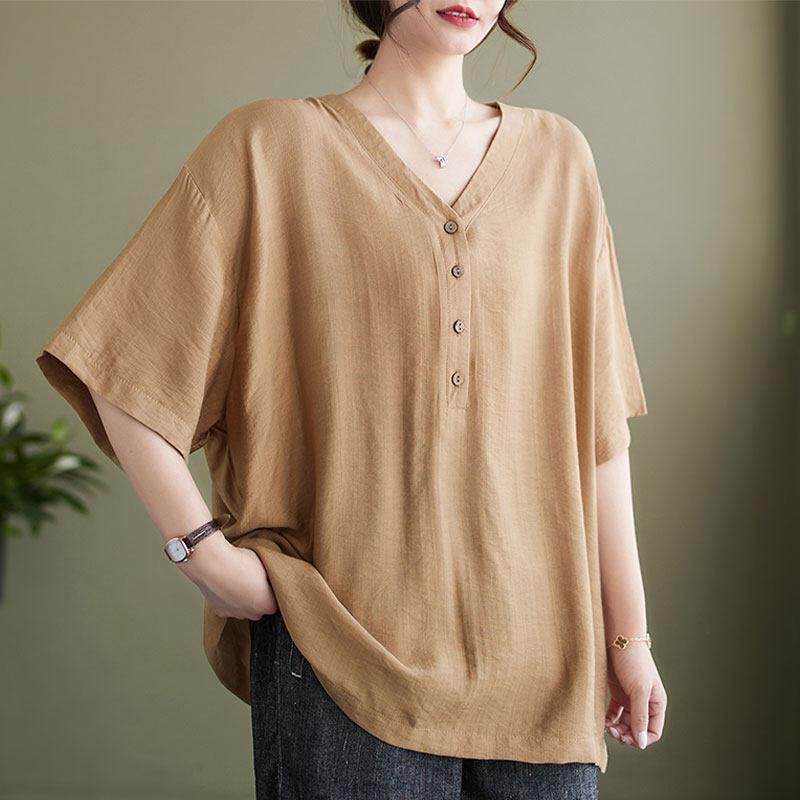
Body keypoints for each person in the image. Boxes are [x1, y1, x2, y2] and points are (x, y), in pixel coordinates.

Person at [35, 0, 668, 797]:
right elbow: (119, 363)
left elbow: (598, 433)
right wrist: (200, 554)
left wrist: (628, 639)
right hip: (340, 661)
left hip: (545, 674)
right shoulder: (269, 147)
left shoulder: (559, 159)